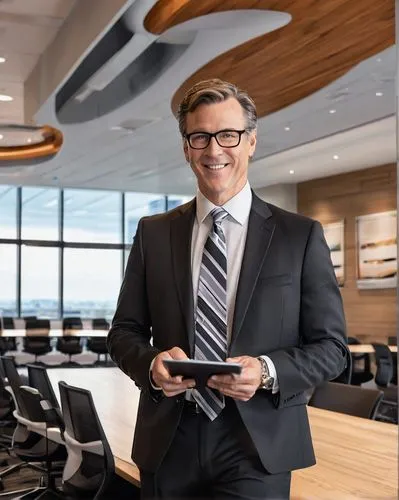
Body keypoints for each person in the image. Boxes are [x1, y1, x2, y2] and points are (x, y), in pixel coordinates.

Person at [107, 78, 349, 499]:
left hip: (258, 445)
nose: (214, 150)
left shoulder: (300, 236)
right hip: (169, 439)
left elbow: (331, 348)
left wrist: (268, 372)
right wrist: (151, 365)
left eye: (228, 135)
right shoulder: (152, 233)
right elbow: (123, 333)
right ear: (186, 148)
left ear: (251, 142)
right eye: (200, 137)